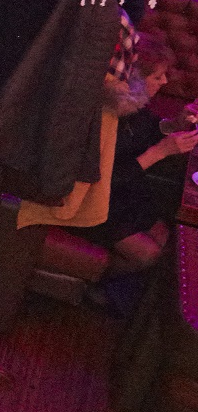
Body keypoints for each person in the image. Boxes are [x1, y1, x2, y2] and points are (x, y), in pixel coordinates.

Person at [74, 35, 194, 277]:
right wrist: (159, 152)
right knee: (148, 254)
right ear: (135, 79)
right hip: (89, 199)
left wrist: (173, 125)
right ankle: (95, 281)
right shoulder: (105, 111)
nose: (165, 81)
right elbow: (100, 178)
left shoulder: (132, 104)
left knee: (166, 237)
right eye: (157, 76)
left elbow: (146, 127)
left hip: (119, 196)